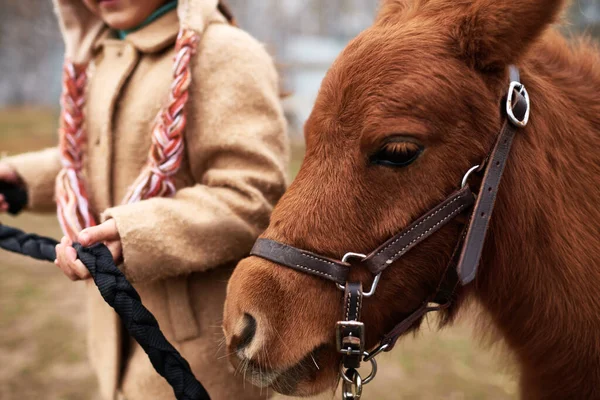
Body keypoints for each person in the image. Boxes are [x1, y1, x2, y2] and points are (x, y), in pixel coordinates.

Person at [0, 1, 288, 399]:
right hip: (116, 353)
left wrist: (131, 234)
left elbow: (252, 196)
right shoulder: (106, 54)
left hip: (193, 361)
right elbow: (92, 161)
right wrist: (18, 178)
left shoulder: (225, 52)